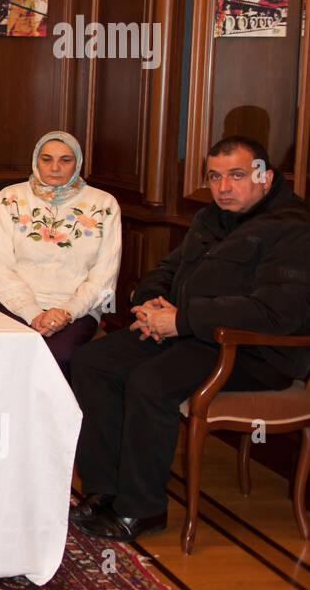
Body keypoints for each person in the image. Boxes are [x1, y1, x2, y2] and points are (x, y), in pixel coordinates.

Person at [70, 136, 310, 541]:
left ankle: (142, 509)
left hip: (251, 350)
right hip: (187, 333)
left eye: (236, 175)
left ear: (265, 177)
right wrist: (150, 304)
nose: (223, 187)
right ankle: (104, 489)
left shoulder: (293, 229)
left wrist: (182, 320)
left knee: (150, 383)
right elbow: (167, 268)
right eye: (215, 177)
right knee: (92, 362)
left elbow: (276, 313)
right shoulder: (210, 219)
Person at [0, 130, 121, 378]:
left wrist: (67, 312)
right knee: (6, 350)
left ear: (78, 163)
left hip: (77, 309)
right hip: (13, 303)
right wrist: (32, 312)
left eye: (65, 160)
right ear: (35, 160)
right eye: (46, 159)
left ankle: (58, 418)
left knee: (59, 355)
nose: (55, 167)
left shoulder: (104, 204)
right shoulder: (8, 199)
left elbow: (104, 275)